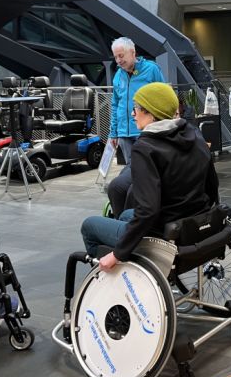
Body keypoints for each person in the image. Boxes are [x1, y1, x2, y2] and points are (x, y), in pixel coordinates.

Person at [82, 82, 218, 271]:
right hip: (192, 222)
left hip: (164, 230)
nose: (132, 114)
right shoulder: (193, 134)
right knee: (124, 215)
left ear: (151, 113)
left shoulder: (145, 148)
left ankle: (119, 276)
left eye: (136, 109)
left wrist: (117, 253)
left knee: (89, 226)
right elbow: (212, 184)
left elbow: (148, 211)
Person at [108, 37, 164, 164]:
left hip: (145, 130)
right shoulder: (118, 75)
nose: (118, 61)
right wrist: (114, 133)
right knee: (130, 169)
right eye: (116, 57)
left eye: (121, 56)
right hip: (124, 133)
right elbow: (115, 105)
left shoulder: (152, 69)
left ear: (133, 52)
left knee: (149, 166)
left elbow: (164, 97)